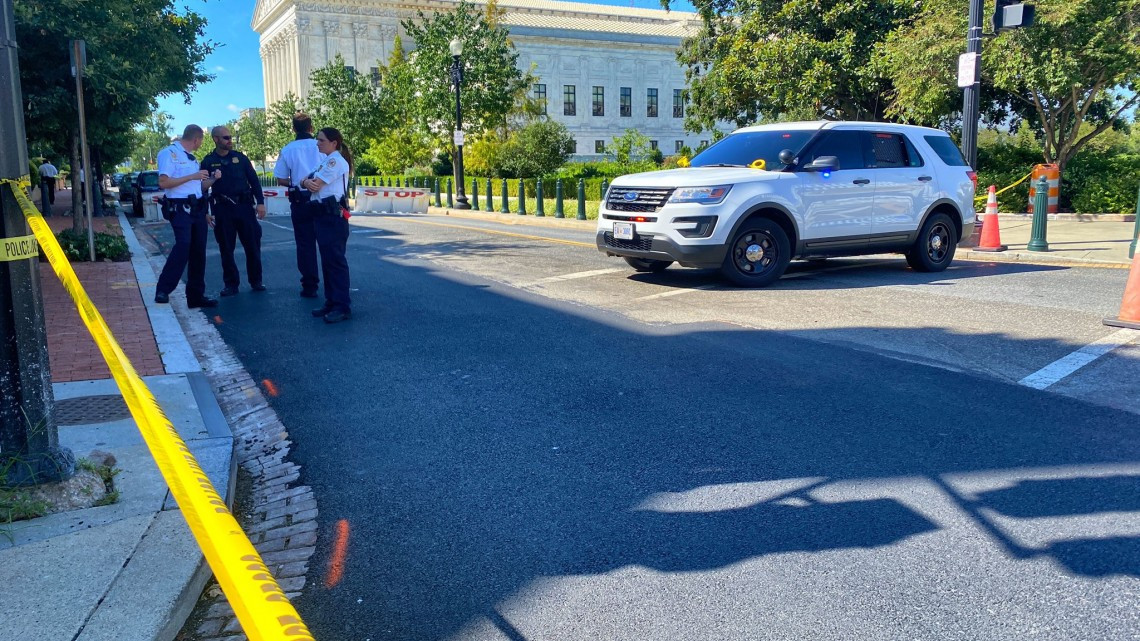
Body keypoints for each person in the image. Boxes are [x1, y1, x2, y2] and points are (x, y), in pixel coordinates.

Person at [154, 125, 219, 309]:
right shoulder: (170, 153)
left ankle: (196, 296)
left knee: (198, 252)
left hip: (197, 208)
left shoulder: (192, 159)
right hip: (180, 208)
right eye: (201, 141)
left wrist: (213, 179)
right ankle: (163, 289)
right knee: (183, 246)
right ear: (196, 139)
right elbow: (164, 182)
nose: (200, 144)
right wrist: (192, 176)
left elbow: (197, 188)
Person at [201, 125, 266, 296]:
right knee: (226, 248)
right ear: (215, 139)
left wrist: (260, 202)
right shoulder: (208, 161)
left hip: (244, 208)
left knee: (252, 245)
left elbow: (254, 181)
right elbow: (201, 189)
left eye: (231, 137)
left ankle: (256, 281)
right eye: (226, 138)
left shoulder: (240, 158)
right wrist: (205, 212)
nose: (230, 141)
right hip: (222, 210)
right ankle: (231, 284)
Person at [301, 127, 352, 324]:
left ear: (334, 143)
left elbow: (315, 184)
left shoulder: (335, 161)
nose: (317, 143)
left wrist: (307, 182)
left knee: (336, 263)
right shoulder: (325, 160)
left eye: (321, 140)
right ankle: (331, 301)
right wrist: (306, 181)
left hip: (332, 217)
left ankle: (342, 305)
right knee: (327, 262)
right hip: (322, 216)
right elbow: (304, 180)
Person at [274, 113, 324, 298]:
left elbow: (280, 179)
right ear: (311, 128)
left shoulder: (288, 149)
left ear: (293, 129)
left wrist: (297, 182)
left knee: (305, 244)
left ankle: (310, 285)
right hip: (323, 197)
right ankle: (335, 283)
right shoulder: (321, 145)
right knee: (328, 242)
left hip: (300, 200)